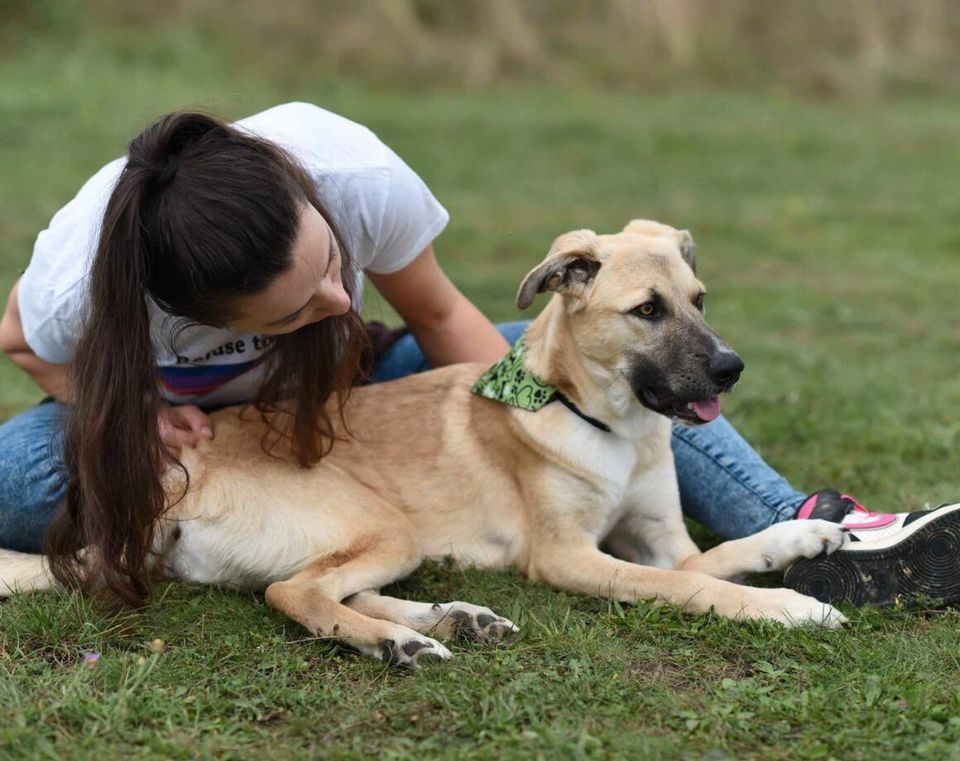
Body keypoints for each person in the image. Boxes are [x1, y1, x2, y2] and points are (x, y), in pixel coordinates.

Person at [0, 102, 955, 609]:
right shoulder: (81, 274)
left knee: (555, 360)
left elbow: (443, 315)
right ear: (193, 308)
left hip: (353, 383)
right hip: (193, 431)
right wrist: (127, 410)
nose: (338, 297)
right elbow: (21, 347)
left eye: (333, 265)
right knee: (20, 478)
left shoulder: (353, 171)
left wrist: (528, 422)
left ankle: (815, 527)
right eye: (300, 305)